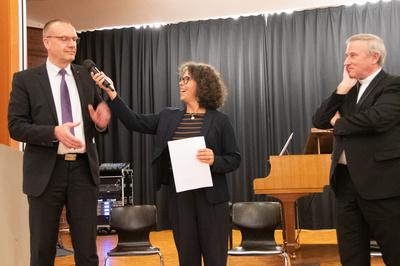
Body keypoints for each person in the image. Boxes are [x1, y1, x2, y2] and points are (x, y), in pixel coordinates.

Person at [92, 62, 241, 266]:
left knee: (215, 258)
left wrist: (215, 159)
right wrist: (112, 93)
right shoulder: (169, 116)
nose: (181, 82)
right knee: (187, 258)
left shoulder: (220, 120)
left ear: (203, 84)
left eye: (186, 79)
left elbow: (234, 158)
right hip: (180, 198)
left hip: (212, 200)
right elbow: (134, 121)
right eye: (181, 79)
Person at [8, 19, 111, 266]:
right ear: (47, 42)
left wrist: (100, 123)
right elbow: (16, 127)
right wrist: (54, 132)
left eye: (74, 39)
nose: (71, 44)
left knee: (87, 250)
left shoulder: (86, 77)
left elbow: (97, 118)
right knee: (43, 250)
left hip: (83, 171)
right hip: (46, 171)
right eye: (63, 39)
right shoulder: (26, 80)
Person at [313, 33, 400, 266]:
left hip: (382, 186)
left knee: (395, 252)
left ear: (374, 57)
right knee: (351, 256)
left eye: (352, 55)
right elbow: (319, 120)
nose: (346, 61)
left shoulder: (393, 84)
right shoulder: (348, 90)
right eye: (346, 56)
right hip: (345, 185)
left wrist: (337, 123)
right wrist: (342, 88)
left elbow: (377, 119)